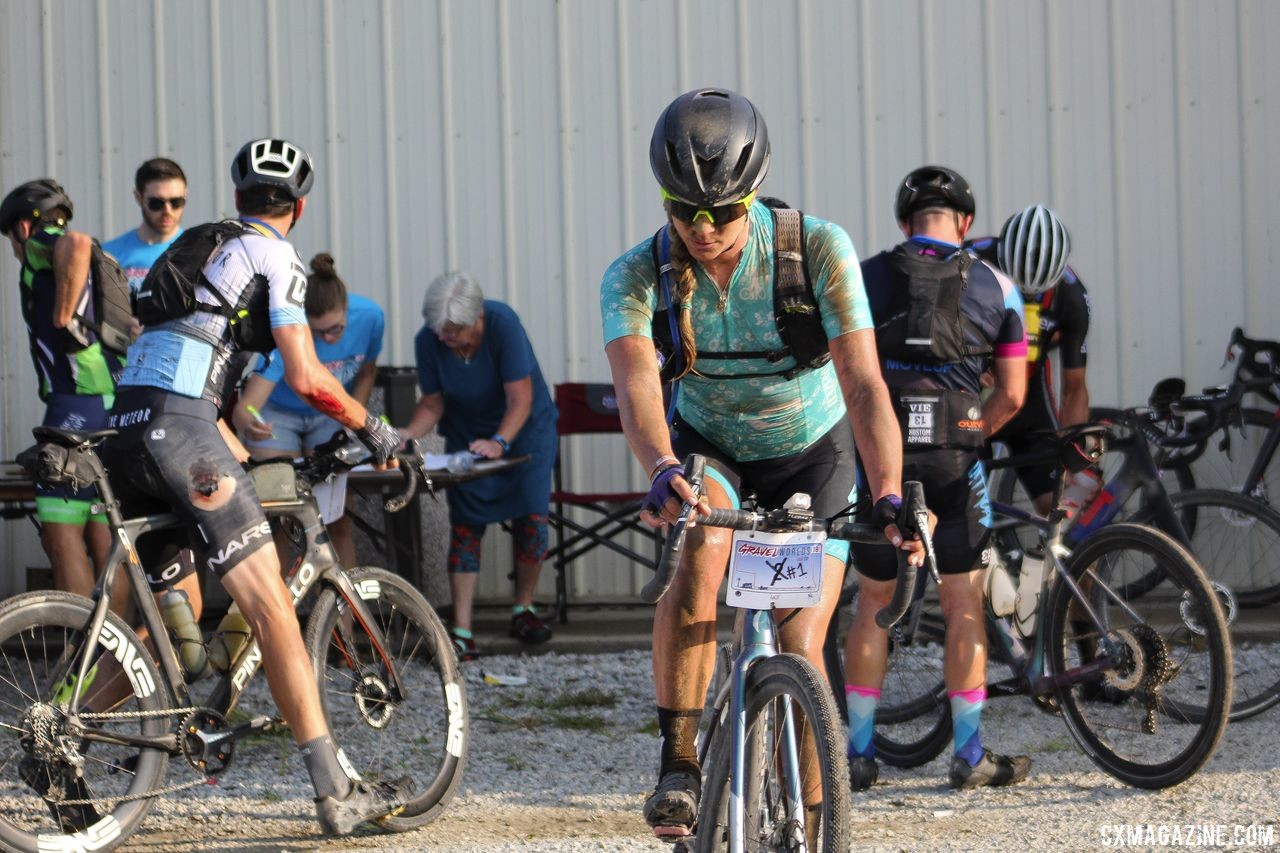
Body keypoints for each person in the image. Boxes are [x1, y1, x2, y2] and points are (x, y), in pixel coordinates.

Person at [600, 88, 921, 836]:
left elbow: (866, 384)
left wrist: (890, 493)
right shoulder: (634, 275)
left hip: (815, 451)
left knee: (803, 641)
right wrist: (657, 465)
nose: (703, 229)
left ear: (752, 195)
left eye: (721, 211)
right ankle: (679, 761)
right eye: (685, 211)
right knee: (700, 555)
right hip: (711, 447)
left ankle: (816, 823)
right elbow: (638, 384)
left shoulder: (815, 248)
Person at [93, 138, 411, 836]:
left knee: (175, 632)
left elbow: (205, 363)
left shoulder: (199, 246)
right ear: (297, 206)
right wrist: (377, 429)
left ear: (237, 199)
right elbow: (306, 375)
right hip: (181, 433)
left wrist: (233, 432)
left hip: (129, 431)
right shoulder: (274, 254)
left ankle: (70, 733)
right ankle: (335, 793)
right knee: (271, 608)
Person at [843, 166, 1030, 792]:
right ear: (967, 224)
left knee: (873, 602)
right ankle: (969, 754)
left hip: (882, 467)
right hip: (956, 461)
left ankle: (860, 754)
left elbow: (836, 373)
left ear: (904, 222)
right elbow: (1012, 393)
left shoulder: (864, 277)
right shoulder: (1001, 287)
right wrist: (971, 431)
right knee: (962, 608)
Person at [400, 271, 558, 661]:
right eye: (438, 329)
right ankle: (461, 632)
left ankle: (524, 608)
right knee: (467, 526)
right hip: (469, 437)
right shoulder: (429, 340)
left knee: (533, 520)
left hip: (525, 431)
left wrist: (500, 442)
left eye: (452, 330)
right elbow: (432, 403)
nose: (443, 337)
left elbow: (520, 397)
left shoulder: (503, 324)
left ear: (477, 319)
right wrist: (405, 435)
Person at [1, 179, 118, 598]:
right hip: (110, 402)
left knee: (62, 533)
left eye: (10, 237)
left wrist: (63, 312)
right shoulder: (88, 265)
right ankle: (115, 661)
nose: (13, 249)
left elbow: (77, 242)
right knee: (106, 538)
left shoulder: (41, 244)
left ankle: (82, 656)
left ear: (23, 227)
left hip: (75, 404)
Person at [232, 252, 384, 569]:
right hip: (281, 413)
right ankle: (281, 610)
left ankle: (343, 615)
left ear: (347, 310)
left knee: (335, 518)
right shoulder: (288, 328)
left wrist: (355, 421)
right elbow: (247, 406)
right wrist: (248, 421)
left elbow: (367, 372)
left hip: (328, 412)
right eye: (317, 333)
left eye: (336, 329)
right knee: (279, 515)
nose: (327, 338)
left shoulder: (370, 318)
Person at [969, 205, 1091, 515]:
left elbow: (1074, 388)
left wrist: (1074, 458)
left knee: (1059, 508)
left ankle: (1068, 562)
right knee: (963, 506)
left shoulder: (1072, 296)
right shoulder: (969, 262)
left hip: (1027, 396)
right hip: (971, 395)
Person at [102, 157, 188, 295]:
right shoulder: (108, 256)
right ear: (138, 197)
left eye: (176, 202)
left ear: (185, 195)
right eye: (156, 203)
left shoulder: (199, 253)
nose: (167, 211)